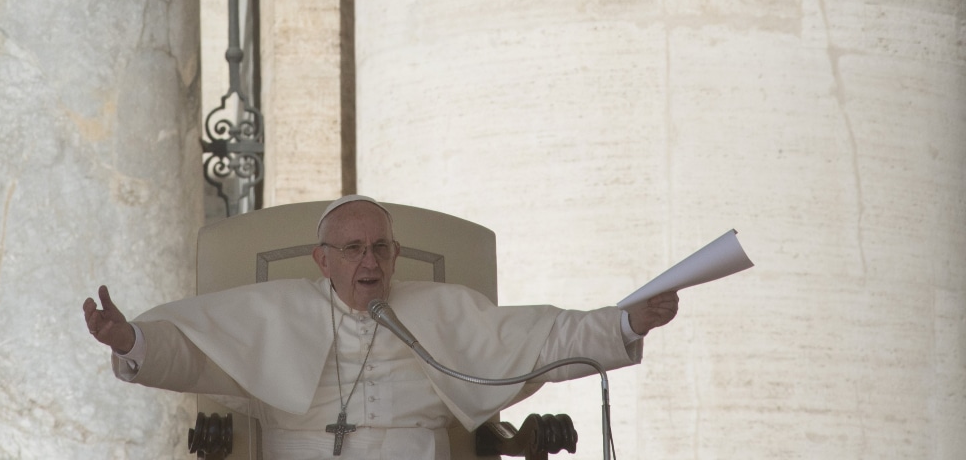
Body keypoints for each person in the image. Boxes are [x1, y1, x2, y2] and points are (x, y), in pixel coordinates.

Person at [83, 195, 679, 460]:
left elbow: (546, 338)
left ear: (395, 254)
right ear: (323, 260)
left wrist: (626, 321)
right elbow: (191, 349)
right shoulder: (271, 311)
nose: (369, 262)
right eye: (352, 249)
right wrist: (130, 340)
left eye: (380, 248)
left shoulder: (443, 310)